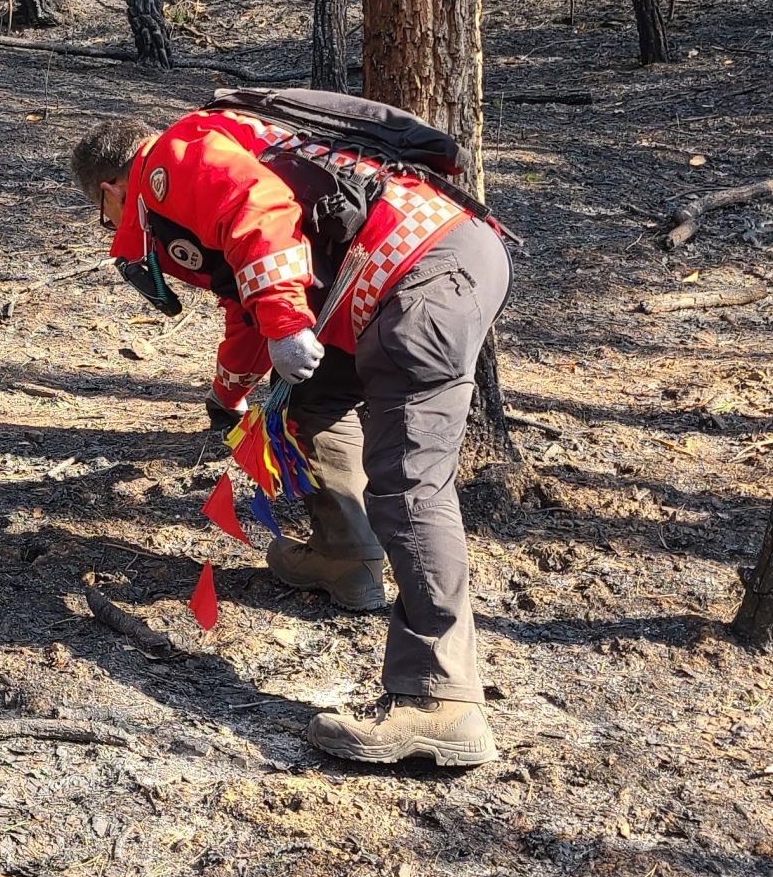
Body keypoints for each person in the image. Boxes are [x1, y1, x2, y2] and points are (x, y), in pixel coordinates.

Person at [70, 100, 511, 771]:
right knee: (308, 399)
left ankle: (442, 699)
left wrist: (284, 323)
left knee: (410, 480)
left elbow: (257, 204)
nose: (114, 231)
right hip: (418, 267)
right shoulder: (202, 166)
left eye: (105, 218)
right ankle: (347, 556)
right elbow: (245, 304)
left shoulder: (171, 159)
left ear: (110, 190)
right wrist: (227, 398)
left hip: (421, 274)